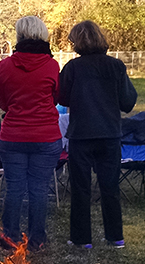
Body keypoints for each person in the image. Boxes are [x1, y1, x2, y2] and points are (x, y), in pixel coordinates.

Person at [0, 15, 62, 252]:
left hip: (13, 136)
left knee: (14, 187)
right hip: (45, 137)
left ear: (20, 35)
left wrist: (6, 103)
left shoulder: (6, 65)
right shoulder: (51, 65)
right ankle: (37, 239)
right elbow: (57, 95)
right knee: (39, 188)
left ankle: (10, 237)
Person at [58, 20, 137, 249]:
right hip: (109, 134)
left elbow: (62, 98)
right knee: (110, 186)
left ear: (78, 42)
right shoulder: (116, 66)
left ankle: (82, 240)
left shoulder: (73, 68)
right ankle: (115, 237)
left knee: (80, 188)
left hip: (81, 135)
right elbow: (128, 102)